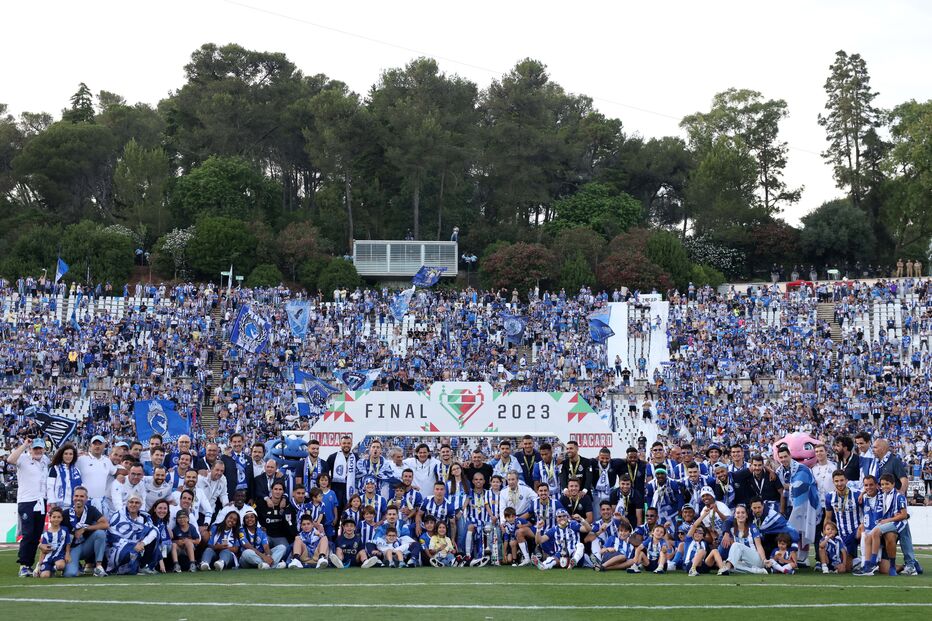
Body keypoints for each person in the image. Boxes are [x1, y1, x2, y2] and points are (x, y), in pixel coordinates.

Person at [8, 438, 50, 577]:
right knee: (28, 533)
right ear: (31, 449)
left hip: (41, 501)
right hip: (26, 501)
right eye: (35, 448)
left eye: (40, 448)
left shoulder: (45, 460)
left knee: (36, 534)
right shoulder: (24, 458)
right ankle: (24, 565)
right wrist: (25, 445)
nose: (38, 451)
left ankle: (30, 564)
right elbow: (10, 459)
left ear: (44, 449)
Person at [63, 486, 109, 577]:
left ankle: (98, 567)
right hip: (72, 549)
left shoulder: (91, 510)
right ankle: (75, 566)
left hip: (86, 546)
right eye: (76, 496)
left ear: (86, 498)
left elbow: (105, 524)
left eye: (81, 496)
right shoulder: (65, 513)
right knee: (70, 574)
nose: (78, 498)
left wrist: (85, 528)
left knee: (100, 533)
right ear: (73, 498)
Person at [106, 494, 158, 575]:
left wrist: (142, 543)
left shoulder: (145, 517)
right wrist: (132, 545)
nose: (133, 505)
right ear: (127, 503)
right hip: (119, 546)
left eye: (137, 503)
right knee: (126, 552)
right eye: (131, 502)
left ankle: (142, 566)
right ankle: (123, 569)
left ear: (140, 505)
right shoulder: (118, 516)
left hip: (139, 546)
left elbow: (155, 531)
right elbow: (112, 535)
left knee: (153, 540)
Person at [709, 504, 768, 575]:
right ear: (734, 516)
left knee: (736, 546)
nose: (740, 515)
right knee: (729, 563)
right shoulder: (731, 529)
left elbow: (759, 546)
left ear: (746, 515)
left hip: (755, 559)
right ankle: (758, 571)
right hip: (742, 561)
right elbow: (726, 522)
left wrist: (764, 560)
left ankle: (727, 567)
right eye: (738, 513)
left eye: (743, 513)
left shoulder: (752, 527)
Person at [34, 507, 71, 578]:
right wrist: (40, 563)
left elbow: (68, 543)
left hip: (59, 556)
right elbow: (43, 550)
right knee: (44, 576)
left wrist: (67, 554)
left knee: (61, 566)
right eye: (54, 517)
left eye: (59, 517)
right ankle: (45, 569)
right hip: (48, 557)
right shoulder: (45, 534)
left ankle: (53, 569)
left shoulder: (65, 530)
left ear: (62, 518)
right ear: (50, 518)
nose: (56, 519)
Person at [48, 442, 82, 510]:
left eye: (70, 454)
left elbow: (80, 487)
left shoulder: (77, 471)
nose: (68, 456)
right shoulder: (55, 468)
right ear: (62, 455)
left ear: (74, 456)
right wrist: (53, 504)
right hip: (58, 506)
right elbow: (50, 487)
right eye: (66, 454)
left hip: (73, 506)